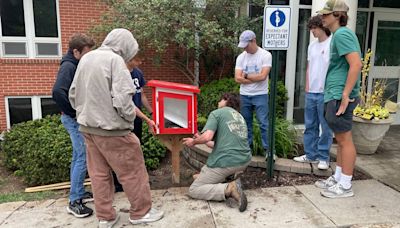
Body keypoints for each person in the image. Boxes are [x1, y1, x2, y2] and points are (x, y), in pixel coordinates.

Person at [69, 28, 164, 227]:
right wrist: (128, 120)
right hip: (113, 131)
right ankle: (141, 213)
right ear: (125, 46)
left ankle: (105, 217)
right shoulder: (115, 61)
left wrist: (87, 113)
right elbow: (123, 101)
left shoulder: (87, 58)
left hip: (88, 129)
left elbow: (73, 94)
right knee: (133, 172)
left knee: (99, 175)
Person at [315, 0, 362, 198]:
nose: (322, 17)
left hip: (340, 95)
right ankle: (339, 177)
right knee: (341, 141)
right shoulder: (338, 35)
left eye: (326, 14)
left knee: (344, 140)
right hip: (334, 93)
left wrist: (345, 95)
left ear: (338, 15)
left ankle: (345, 186)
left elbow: (356, 64)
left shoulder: (342, 34)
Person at [183, 93, 252, 212]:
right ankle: (227, 178)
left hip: (227, 162)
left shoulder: (217, 113)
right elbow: (213, 142)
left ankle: (229, 188)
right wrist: (200, 137)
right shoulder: (239, 117)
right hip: (244, 161)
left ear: (226, 100)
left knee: (194, 189)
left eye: (219, 100)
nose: (218, 103)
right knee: (200, 176)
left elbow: (207, 137)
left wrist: (193, 142)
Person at [52, 33, 95, 218]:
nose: (88, 57)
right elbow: (57, 92)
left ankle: (79, 192)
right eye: (85, 53)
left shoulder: (74, 63)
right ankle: (74, 201)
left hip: (73, 118)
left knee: (79, 155)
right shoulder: (68, 66)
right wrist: (74, 113)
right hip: (72, 119)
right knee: (82, 156)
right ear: (76, 51)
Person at [293, 15, 333, 170]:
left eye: (314, 29)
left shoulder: (332, 43)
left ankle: (323, 157)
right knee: (310, 125)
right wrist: (307, 87)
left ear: (322, 27)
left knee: (325, 126)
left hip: (325, 92)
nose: (312, 32)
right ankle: (311, 154)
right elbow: (309, 67)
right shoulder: (312, 46)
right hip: (311, 92)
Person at [113, 50, 154, 193]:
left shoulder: (138, 73)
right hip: (123, 120)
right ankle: (118, 184)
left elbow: (141, 94)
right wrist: (147, 119)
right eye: (137, 60)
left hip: (137, 119)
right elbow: (129, 104)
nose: (140, 63)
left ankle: (134, 179)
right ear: (129, 58)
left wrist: (151, 112)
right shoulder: (119, 74)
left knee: (135, 149)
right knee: (121, 152)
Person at [234, 30, 272, 157]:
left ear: (253, 41)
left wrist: (245, 75)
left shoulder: (265, 55)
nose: (244, 48)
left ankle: (269, 151)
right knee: (245, 124)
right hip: (244, 95)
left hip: (260, 94)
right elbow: (237, 78)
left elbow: (262, 76)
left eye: (246, 45)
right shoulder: (241, 57)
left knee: (263, 123)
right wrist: (252, 78)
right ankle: (246, 150)